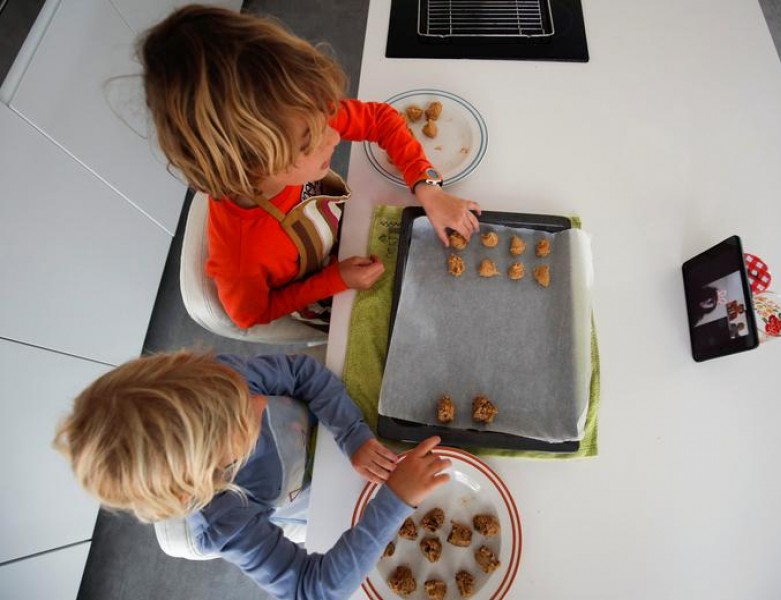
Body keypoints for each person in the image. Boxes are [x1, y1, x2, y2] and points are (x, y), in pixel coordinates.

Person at [140, 5, 481, 329]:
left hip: (338, 232)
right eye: (309, 141)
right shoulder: (243, 258)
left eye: (324, 114)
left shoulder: (296, 115)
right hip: (321, 289)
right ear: (252, 167)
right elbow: (252, 315)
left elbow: (380, 119)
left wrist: (428, 188)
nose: (334, 136)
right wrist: (336, 280)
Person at [54, 351, 450, 599]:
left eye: (242, 392)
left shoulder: (219, 378)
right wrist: (395, 501)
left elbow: (302, 375)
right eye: (244, 417)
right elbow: (310, 589)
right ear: (204, 477)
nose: (261, 401)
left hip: (338, 437)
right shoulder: (225, 518)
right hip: (310, 505)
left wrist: (352, 435)